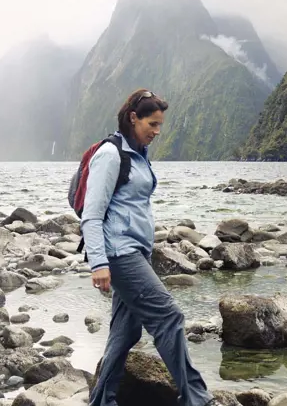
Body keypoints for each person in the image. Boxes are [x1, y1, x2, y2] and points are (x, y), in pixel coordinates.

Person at [83, 89, 217, 406]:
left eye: (160, 126)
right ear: (134, 118)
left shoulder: (138, 153)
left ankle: (102, 400)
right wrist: (98, 263)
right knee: (169, 316)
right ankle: (198, 400)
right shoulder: (110, 155)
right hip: (119, 253)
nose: (157, 132)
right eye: (152, 125)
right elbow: (91, 214)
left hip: (136, 252)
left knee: (125, 333)